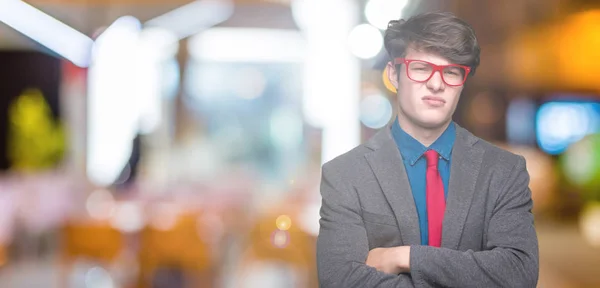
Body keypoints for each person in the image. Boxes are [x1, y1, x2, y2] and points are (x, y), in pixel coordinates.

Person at [316, 11, 539, 288]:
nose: (436, 84)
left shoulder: (504, 171)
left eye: (451, 72)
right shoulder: (345, 175)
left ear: (463, 83)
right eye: (421, 68)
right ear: (394, 75)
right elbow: (341, 279)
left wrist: (406, 256)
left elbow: (519, 272)